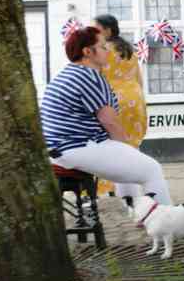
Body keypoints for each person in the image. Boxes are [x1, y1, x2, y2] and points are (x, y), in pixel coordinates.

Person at [41, 26, 173, 205]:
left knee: (125, 156)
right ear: (88, 51)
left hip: (58, 149)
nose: (108, 51)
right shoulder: (90, 76)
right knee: (152, 169)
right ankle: (166, 220)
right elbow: (109, 122)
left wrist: (127, 152)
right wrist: (129, 150)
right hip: (76, 147)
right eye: (103, 47)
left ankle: (135, 208)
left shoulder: (67, 74)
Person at [94, 14, 148, 200]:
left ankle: (112, 188)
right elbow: (139, 79)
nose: (95, 32)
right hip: (134, 98)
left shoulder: (102, 50)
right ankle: (134, 188)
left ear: (108, 30)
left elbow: (98, 77)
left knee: (111, 145)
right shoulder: (129, 49)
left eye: (98, 28)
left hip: (114, 99)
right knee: (130, 145)